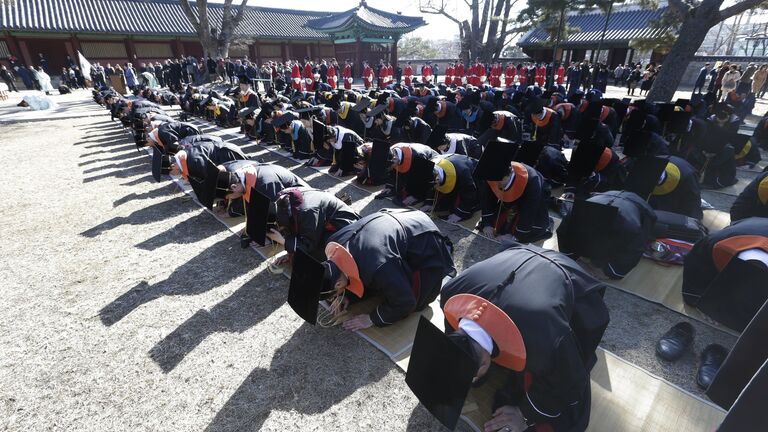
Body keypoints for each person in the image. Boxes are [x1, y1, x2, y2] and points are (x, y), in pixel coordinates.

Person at [415, 243, 609, 432]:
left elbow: (570, 381)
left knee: (569, 411)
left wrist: (524, 415)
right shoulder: (451, 293)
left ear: (483, 366)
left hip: (571, 278)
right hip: (519, 255)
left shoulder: (545, 341)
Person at [321, 208, 456, 330]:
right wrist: (347, 295)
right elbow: (353, 270)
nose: (335, 298)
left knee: (416, 303)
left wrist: (372, 318)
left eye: (335, 294)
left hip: (423, 235)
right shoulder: (334, 244)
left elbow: (406, 302)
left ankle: (444, 249)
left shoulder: (377, 266)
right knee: (381, 281)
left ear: (338, 284)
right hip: (398, 219)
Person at [269, 187, 360, 262]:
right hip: (322, 220)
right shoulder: (284, 201)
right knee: (297, 253)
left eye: (280, 228)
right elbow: (294, 229)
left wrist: (284, 242)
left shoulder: (307, 211)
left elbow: (308, 245)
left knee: (312, 258)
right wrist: (290, 251)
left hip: (344, 226)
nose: (281, 230)